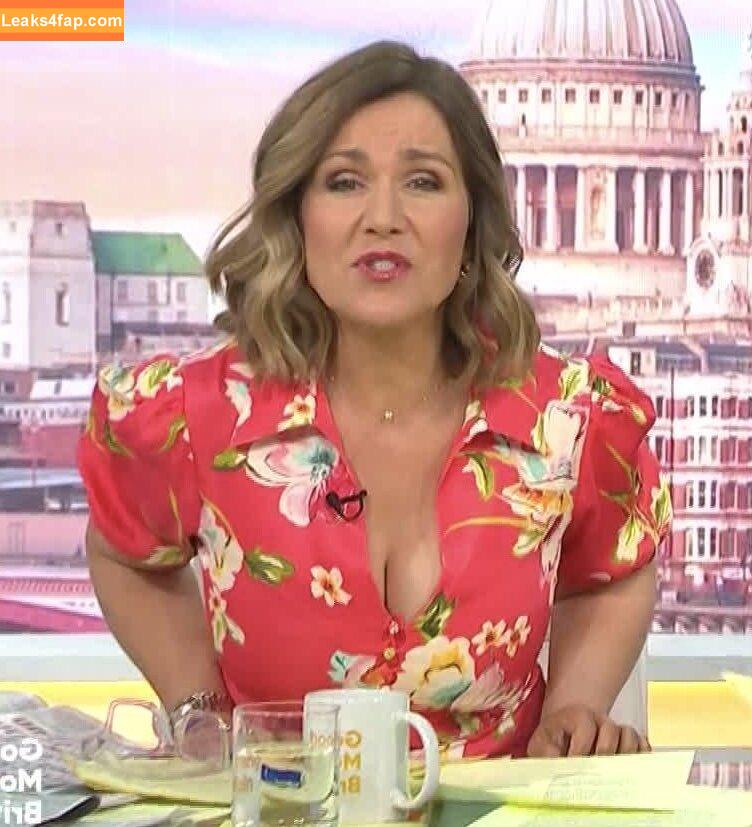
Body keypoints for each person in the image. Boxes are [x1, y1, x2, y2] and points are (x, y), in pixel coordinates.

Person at [78, 40, 672, 761]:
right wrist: (198, 710)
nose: (383, 217)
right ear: (297, 215)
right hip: (277, 807)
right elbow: (123, 552)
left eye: (422, 181)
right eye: (344, 182)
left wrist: (574, 706)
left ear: (473, 222)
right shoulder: (196, 414)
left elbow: (612, 570)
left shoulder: (570, 418)